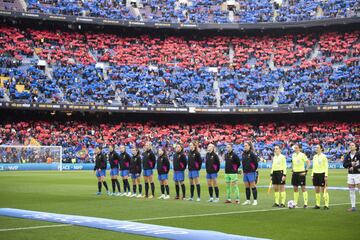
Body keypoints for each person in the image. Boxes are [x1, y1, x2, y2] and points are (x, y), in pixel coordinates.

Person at [291, 143, 310, 208]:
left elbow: (308, 162)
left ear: (299, 148)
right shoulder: (293, 155)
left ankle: (305, 204)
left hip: (301, 173)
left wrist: (306, 171)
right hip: (295, 173)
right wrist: (292, 170)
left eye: (296, 148)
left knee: (303, 188)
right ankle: (295, 203)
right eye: (295, 148)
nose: (295, 149)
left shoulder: (302, 155)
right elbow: (293, 163)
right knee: (295, 188)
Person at [343, 142, 360, 212]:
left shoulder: (359, 154)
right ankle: (353, 207)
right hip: (350, 174)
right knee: (351, 191)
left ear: (356, 147)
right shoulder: (347, 155)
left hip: (358, 174)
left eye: (352, 145)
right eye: (350, 145)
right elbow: (344, 165)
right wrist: (350, 164)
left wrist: (355, 167)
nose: (351, 146)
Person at [312, 144, 329, 210]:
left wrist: (326, 175)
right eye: (316, 147)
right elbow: (314, 166)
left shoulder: (324, 156)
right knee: (317, 189)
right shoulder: (314, 156)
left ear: (321, 149)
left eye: (318, 147)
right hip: (315, 174)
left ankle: (326, 205)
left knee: (324, 189)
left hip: (322, 174)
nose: (316, 149)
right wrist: (312, 175)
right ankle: (317, 204)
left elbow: (326, 166)